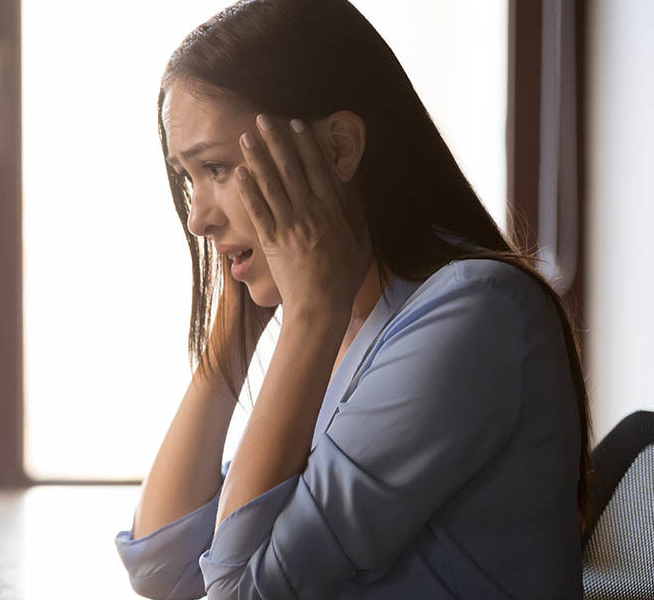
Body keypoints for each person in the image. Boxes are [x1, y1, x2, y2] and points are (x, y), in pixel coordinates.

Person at [114, 1, 590, 598]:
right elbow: (163, 567)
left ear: (338, 149)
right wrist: (241, 322)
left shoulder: (473, 315)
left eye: (214, 167)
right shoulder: (357, 323)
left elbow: (235, 589)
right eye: (187, 179)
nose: (197, 219)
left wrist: (309, 313)